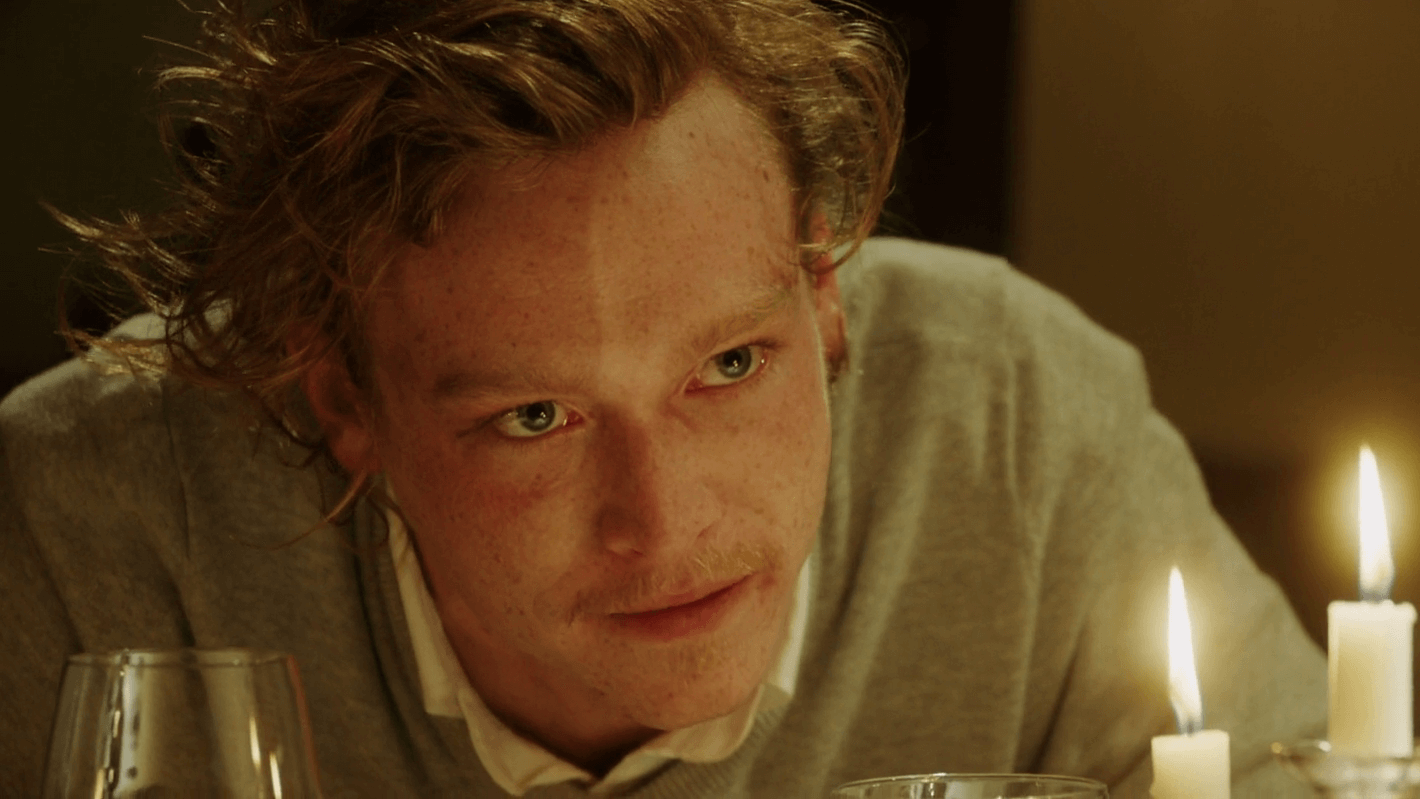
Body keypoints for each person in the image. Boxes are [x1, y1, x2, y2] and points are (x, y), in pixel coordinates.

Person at [0, 0, 1325, 796]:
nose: (667, 518)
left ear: (822, 286)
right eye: (535, 417)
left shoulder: (1018, 419)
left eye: (730, 365)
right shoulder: (93, 521)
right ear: (343, 396)